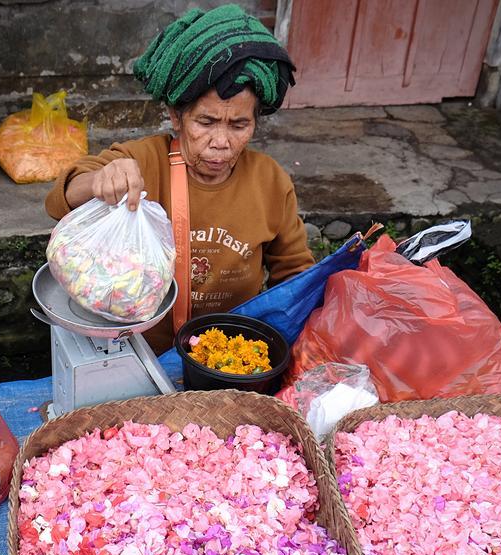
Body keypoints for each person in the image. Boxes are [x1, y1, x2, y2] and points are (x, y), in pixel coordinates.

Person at [45, 4, 315, 352]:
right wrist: (99, 179)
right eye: (206, 122)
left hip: (229, 357)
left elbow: (296, 277)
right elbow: (58, 198)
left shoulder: (270, 182)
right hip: (137, 355)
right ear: (176, 116)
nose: (221, 141)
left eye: (239, 125)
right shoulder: (144, 160)